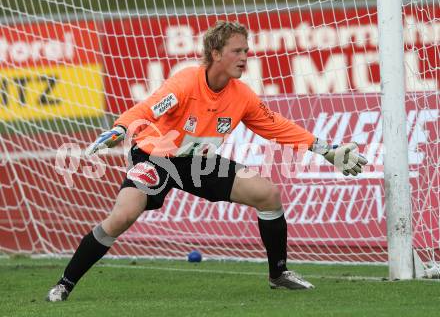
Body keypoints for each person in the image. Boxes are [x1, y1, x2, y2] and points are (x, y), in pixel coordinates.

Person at [46, 21, 367, 301]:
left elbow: (277, 127)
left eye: (246, 51)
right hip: (154, 158)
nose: (244, 57)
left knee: (267, 194)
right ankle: (65, 283)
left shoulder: (241, 95)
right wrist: (118, 129)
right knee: (123, 216)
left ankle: (278, 274)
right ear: (215, 54)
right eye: (237, 51)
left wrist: (325, 149)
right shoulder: (186, 83)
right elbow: (144, 111)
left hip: (196, 163)